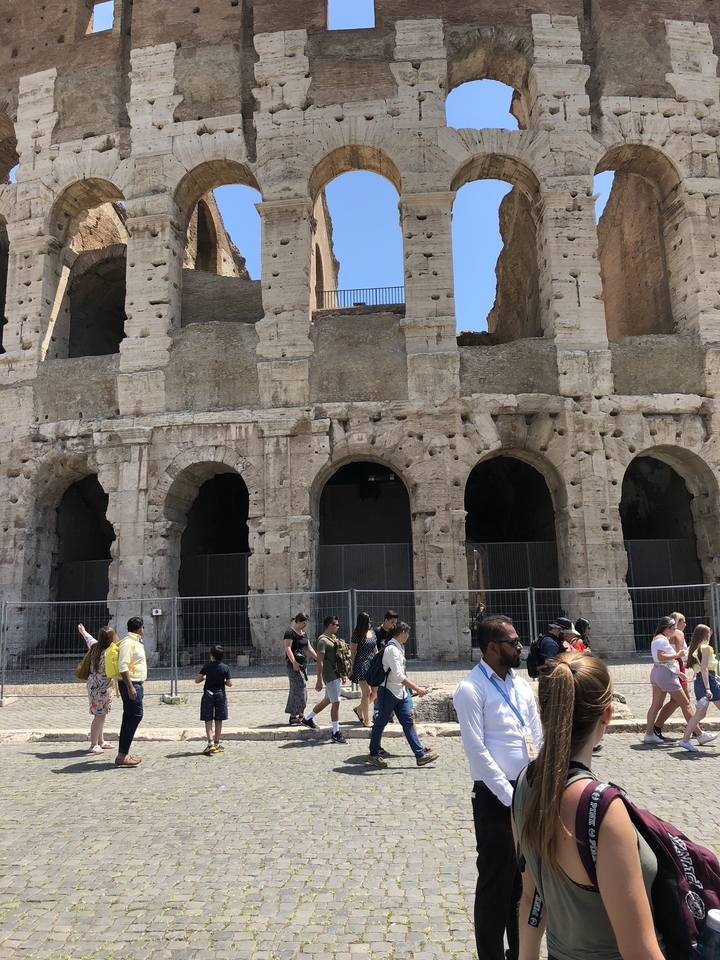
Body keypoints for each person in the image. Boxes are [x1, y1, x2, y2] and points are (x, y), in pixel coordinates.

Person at [513, 651, 664, 960]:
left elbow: (531, 898)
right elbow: (639, 951)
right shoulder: (603, 809)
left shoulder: (524, 785)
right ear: (606, 714)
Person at [453, 615, 542, 960]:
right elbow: (477, 751)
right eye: (513, 642)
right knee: (496, 882)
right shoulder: (470, 689)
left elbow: (537, 733)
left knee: (523, 882)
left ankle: (520, 952)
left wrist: (538, 783)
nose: (520, 647)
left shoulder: (520, 685)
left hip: (527, 790)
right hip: (496, 797)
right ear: (492, 647)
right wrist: (511, 798)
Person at [367, 621, 437, 768]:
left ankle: (420, 755)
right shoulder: (392, 650)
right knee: (380, 723)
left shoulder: (398, 648)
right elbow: (398, 676)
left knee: (408, 722)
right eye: (407, 634)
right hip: (389, 691)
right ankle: (373, 754)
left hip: (400, 693)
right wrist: (417, 688)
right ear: (403, 633)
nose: (408, 637)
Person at [644, 615, 711, 746]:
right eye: (672, 628)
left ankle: (649, 734)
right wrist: (678, 655)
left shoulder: (656, 638)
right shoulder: (663, 640)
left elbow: (660, 660)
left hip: (657, 672)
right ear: (666, 627)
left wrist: (678, 672)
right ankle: (699, 734)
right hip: (665, 675)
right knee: (685, 703)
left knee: (656, 705)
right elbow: (661, 657)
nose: (674, 631)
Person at [301, 616, 348, 744]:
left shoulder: (332, 638)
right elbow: (319, 661)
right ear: (329, 625)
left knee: (328, 699)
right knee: (336, 702)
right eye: (336, 625)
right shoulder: (322, 641)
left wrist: (342, 674)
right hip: (329, 675)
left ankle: (308, 718)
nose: (338, 627)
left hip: (335, 674)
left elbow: (337, 658)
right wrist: (319, 680)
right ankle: (335, 733)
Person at [679, 624, 720, 751]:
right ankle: (685, 740)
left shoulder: (694, 649)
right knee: (699, 714)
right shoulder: (705, 648)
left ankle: (685, 740)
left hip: (700, 680)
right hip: (707, 681)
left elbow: (701, 668)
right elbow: (705, 668)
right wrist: (708, 688)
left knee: (699, 714)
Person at [78, 623, 116, 754]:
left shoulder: (94, 647)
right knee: (99, 716)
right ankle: (94, 743)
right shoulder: (110, 652)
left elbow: (88, 638)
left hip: (93, 684)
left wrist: (83, 631)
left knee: (101, 715)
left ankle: (101, 741)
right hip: (104, 686)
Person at [652, 611, 691, 738]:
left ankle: (656, 727)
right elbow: (681, 652)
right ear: (677, 622)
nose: (685, 624)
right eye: (683, 621)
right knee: (684, 700)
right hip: (675, 665)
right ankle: (696, 730)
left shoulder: (664, 637)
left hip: (669, 666)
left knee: (676, 700)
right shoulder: (678, 633)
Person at [115, 616, 147, 768]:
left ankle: (123, 753)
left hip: (135, 684)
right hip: (132, 684)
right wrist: (130, 687)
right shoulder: (128, 643)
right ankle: (122, 755)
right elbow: (123, 666)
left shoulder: (135, 642)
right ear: (140, 628)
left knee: (128, 717)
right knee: (135, 716)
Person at [195, 644, 233, 754]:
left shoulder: (207, 667)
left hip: (208, 694)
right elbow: (230, 683)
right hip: (220, 694)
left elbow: (197, 680)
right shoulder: (225, 668)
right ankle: (217, 743)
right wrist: (223, 681)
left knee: (208, 719)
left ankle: (210, 742)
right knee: (218, 719)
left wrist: (205, 677)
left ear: (211, 656)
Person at [283, 613, 317, 725]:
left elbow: (308, 648)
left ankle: (299, 713)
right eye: (303, 622)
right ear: (298, 621)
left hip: (303, 665)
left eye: (306, 623)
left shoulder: (304, 634)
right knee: (299, 687)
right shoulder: (290, 632)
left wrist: (318, 658)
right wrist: (294, 662)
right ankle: (295, 714)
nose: (305, 625)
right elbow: (287, 648)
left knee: (300, 689)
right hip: (293, 665)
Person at [350, 612, 377, 727]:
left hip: (372, 664)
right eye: (367, 622)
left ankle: (359, 709)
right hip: (361, 664)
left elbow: (375, 649)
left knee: (375, 693)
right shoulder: (357, 634)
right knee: (366, 692)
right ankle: (366, 720)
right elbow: (352, 653)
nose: (369, 624)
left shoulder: (372, 633)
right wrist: (351, 668)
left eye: (370, 622)